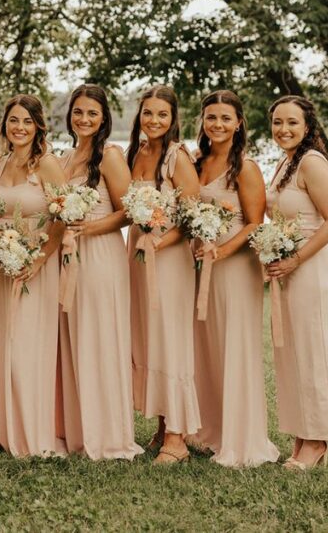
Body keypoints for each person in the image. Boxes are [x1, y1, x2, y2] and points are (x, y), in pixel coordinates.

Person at [190, 90, 280, 467]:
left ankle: (243, 439)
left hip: (235, 267)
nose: (218, 124)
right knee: (206, 347)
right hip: (200, 265)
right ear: (203, 121)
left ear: (239, 123)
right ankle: (211, 430)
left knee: (235, 346)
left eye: (226, 118)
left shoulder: (245, 167)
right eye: (211, 117)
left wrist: (223, 251)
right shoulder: (197, 162)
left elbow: (256, 222)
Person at [58, 85, 143, 461]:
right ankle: (81, 430)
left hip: (101, 256)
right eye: (78, 112)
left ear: (104, 118)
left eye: (92, 113)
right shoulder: (65, 158)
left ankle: (109, 435)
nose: (84, 119)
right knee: (77, 338)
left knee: (102, 338)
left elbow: (129, 212)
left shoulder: (109, 155)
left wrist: (88, 228)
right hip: (70, 257)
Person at [266, 95, 328, 470]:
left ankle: (317, 441)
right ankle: (302, 435)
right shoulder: (285, 162)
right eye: (277, 122)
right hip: (288, 270)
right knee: (294, 354)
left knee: (314, 353)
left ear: (307, 126)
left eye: (292, 122)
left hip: (312, 270)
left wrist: (296, 258)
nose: (283, 129)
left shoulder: (312, 162)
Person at [0, 94, 68, 458]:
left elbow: (62, 217)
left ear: (38, 126)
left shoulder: (47, 164)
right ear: (5, 125)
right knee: (2, 342)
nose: (19, 127)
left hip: (36, 265)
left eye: (27, 121)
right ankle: (2, 428)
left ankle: (32, 432)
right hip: (1, 265)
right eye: (13, 120)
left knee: (28, 348)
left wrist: (39, 259)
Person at [125, 84, 202, 465]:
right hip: (139, 255)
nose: (153, 120)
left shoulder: (177, 157)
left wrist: (159, 241)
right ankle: (162, 423)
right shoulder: (137, 152)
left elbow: (191, 218)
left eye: (162, 114)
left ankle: (177, 438)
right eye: (148, 113)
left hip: (169, 259)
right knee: (150, 338)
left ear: (173, 119)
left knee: (171, 339)